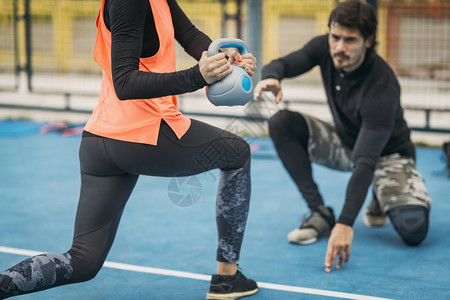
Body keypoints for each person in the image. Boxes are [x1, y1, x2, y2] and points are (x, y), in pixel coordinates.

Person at [0, 0, 258, 299]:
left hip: (100, 139)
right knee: (237, 153)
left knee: (83, 261)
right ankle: (227, 278)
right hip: (144, 133)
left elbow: (188, 34)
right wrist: (198, 76)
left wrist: (225, 59)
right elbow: (125, 81)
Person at [253, 0, 431, 273]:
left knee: (413, 231)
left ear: (368, 41)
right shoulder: (324, 47)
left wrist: (346, 223)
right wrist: (273, 76)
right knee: (282, 123)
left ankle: (380, 197)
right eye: (335, 37)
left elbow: (366, 160)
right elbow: (284, 63)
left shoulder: (381, 85)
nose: (339, 47)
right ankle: (319, 212)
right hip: (346, 143)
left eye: (350, 40)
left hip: (389, 156)